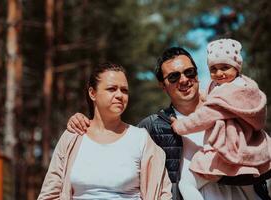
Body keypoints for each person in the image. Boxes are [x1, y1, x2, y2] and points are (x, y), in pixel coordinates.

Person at [67, 48, 267, 199]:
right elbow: (117, 158)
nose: (184, 80)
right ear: (162, 85)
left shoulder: (229, 109)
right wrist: (86, 122)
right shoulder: (152, 127)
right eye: (173, 76)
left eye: (189, 72)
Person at [38, 63, 172, 200]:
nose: (120, 95)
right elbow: (50, 194)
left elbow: (163, 193)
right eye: (111, 89)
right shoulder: (73, 137)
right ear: (92, 93)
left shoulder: (141, 139)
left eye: (124, 90)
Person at [170, 39, 271, 200]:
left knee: (186, 184)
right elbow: (214, 96)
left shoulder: (225, 95)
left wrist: (178, 125)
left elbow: (202, 118)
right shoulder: (245, 88)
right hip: (245, 151)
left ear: (237, 67)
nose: (219, 74)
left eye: (225, 67)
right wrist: (203, 94)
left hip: (225, 151)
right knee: (251, 193)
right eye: (213, 69)